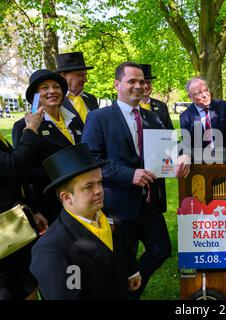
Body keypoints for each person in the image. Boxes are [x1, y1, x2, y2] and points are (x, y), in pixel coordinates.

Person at [81, 61, 190, 299]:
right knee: (122, 262)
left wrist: (184, 154)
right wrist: (130, 175)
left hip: (149, 203)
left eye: (142, 81)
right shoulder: (99, 118)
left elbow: (171, 146)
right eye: (132, 81)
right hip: (118, 206)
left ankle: (129, 292)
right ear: (117, 84)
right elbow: (93, 160)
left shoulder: (152, 117)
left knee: (161, 250)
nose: (138, 86)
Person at [30, 143, 141, 299]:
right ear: (67, 197)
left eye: (100, 182)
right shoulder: (52, 249)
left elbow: (122, 247)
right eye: (88, 186)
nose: (99, 190)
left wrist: (132, 271)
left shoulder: (107, 216)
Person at [12, 70, 84, 224]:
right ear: (35, 96)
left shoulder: (75, 121)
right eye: (44, 88)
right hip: (50, 203)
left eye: (56, 87)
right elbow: (25, 170)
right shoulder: (23, 126)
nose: (52, 91)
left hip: (82, 196)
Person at [0, 107, 46, 300]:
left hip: (16, 224)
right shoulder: (25, 129)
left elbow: (16, 179)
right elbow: (14, 165)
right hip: (4, 233)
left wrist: (32, 210)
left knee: (27, 280)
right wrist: (31, 130)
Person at [180, 77, 226, 149]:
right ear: (190, 97)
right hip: (200, 157)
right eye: (199, 93)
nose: (205, 95)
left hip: (224, 155)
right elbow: (187, 144)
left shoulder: (222, 106)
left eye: (206, 90)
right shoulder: (185, 117)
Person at [56, 51, 99, 125]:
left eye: (85, 75)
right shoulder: (53, 100)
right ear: (63, 76)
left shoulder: (91, 99)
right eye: (80, 75)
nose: (85, 80)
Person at [138, 64, 174, 130]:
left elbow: (170, 131)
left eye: (149, 82)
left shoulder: (161, 106)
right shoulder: (131, 106)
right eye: (143, 83)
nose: (146, 86)